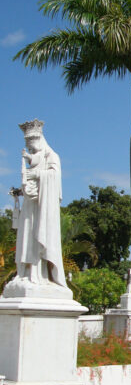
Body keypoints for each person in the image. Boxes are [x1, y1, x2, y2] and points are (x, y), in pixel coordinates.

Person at [7, 119, 67, 292]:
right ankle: (24, 272)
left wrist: (35, 175)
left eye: (33, 146)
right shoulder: (36, 159)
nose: (32, 150)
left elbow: (54, 178)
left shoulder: (52, 156)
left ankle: (38, 274)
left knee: (38, 236)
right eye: (29, 147)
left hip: (43, 209)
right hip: (30, 205)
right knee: (26, 236)